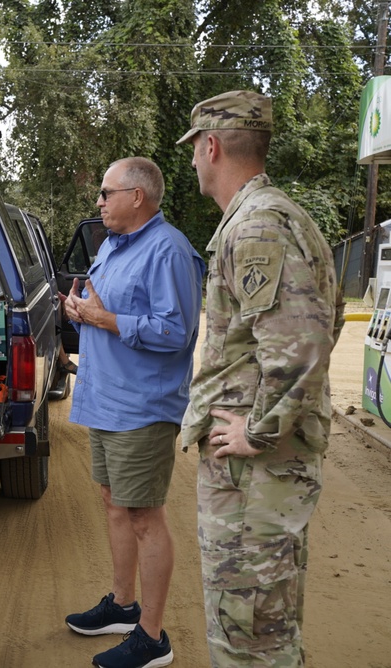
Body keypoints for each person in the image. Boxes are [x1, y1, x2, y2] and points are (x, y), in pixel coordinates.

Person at [177, 90, 344, 667]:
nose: (194, 161)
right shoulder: (276, 217)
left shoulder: (257, 226)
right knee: (265, 626)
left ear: (212, 145)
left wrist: (261, 431)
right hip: (260, 474)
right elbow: (325, 320)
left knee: (249, 636)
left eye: (195, 149)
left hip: (254, 473)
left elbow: (302, 344)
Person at [62, 157, 205, 668]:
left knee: (145, 515)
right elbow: (103, 313)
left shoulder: (169, 251)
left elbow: (177, 332)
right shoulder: (113, 247)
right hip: (105, 399)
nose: (98, 201)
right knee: (114, 502)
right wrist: (78, 312)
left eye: (106, 192)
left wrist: (103, 316)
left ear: (137, 196)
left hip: (142, 406)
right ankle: (123, 606)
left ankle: (152, 638)